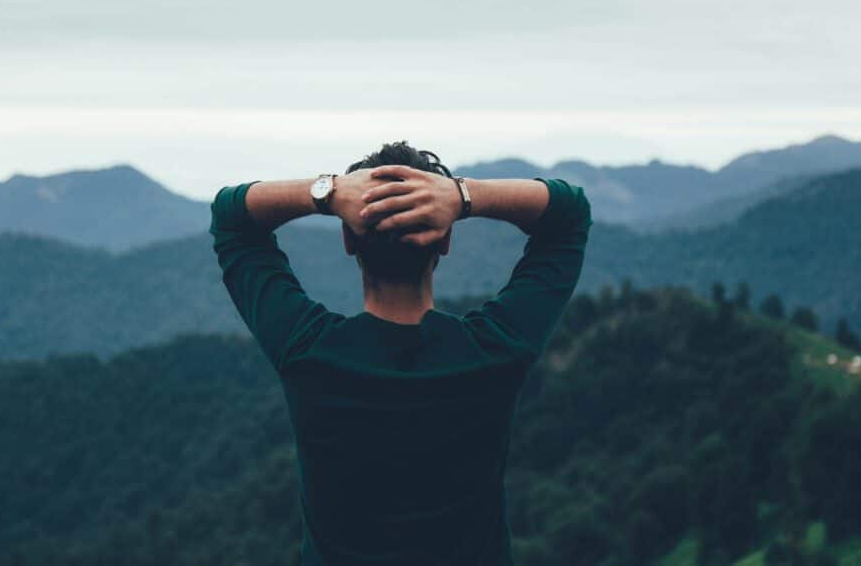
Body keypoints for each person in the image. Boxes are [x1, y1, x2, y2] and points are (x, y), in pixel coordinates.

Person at [209, 140, 592, 565]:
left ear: (347, 242)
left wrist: (330, 193)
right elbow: (569, 216)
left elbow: (232, 220)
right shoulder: (493, 353)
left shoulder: (308, 352)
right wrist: (462, 196)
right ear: (444, 241)